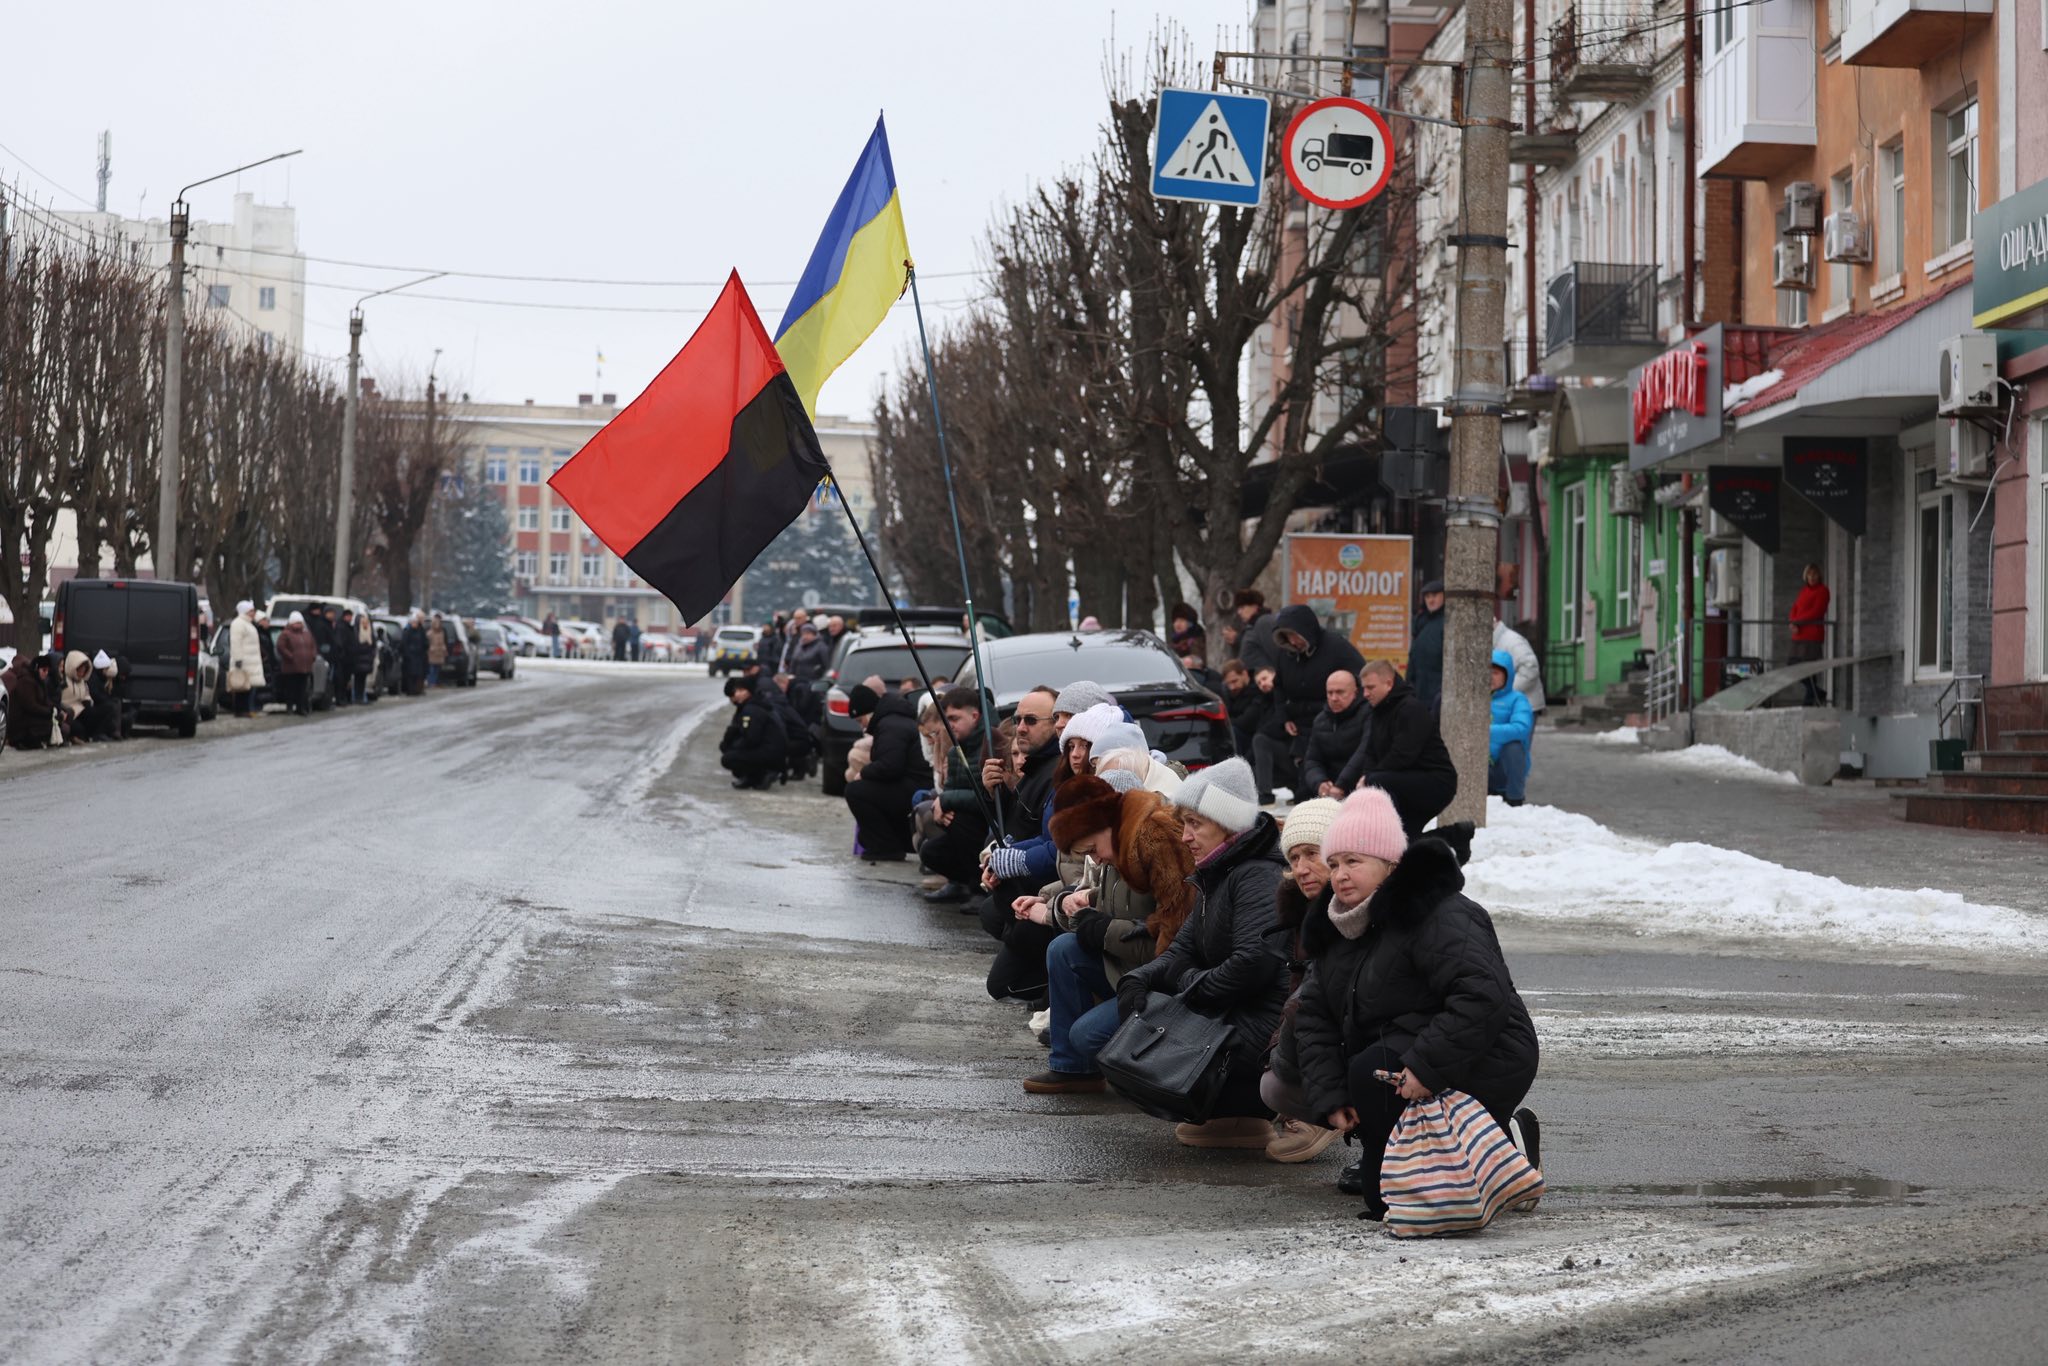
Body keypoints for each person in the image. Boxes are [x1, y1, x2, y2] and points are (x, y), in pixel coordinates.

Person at [1293, 787, 1541, 1220]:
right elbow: (1315, 1017)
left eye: (1354, 861)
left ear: (1390, 865)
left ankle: (1502, 1144)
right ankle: (1482, 1149)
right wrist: (1332, 1097)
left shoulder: (1439, 912)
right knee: (1382, 1195)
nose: (1339, 875)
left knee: (1395, 1198)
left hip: (1489, 1051)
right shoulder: (1337, 924)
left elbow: (1481, 994)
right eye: (1334, 863)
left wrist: (1427, 1067)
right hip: (1397, 1059)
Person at [1115, 756, 1290, 1148]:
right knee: (1136, 1039)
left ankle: (1278, 1110)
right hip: (1232, 1009)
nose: (1186, 836)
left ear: (1228, 826)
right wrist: (1138, 980)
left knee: (1162, 1056)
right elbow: (1181, 949)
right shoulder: (1218, 872)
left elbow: (1253, 964)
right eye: (1185, 824)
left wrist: (1189, 986)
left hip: (1265, 1024)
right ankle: (1234, 1118)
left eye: (1196, 824)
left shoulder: (1256, 875)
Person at [1023, 771, 1197, 1093]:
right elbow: (1113, 913)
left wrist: (1102, 930)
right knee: (1063, 949)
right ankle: (1074, 1070)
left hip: (1163, 984)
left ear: (1107, 823)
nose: (1095, 859)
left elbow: (1175, 946)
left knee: (1087, 1035)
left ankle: (1163, 1074)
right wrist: (1066, 909)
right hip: (1131, 969)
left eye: (1092, 849)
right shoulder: (1118, 844)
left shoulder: (1155, 840)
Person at [1257, 796, 1343, 1164]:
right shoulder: (1302, 911)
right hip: (1331, 1041)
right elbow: (1298, 989)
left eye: (1312, 854)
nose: (1302, 868)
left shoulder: (1359, 909)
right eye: (1294, 858)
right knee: (1272, 1081)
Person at [977, 686, 1066, 1003]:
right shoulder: (1037, 767)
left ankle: (1054, 986)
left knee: (1002, 984)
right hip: (1022, 890)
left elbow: (1057, 848)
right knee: (990, 912)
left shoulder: (1059, 771)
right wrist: (997, 795)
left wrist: (1012, 860)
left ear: (1056, 724)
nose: (1021, 727)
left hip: (1048, 894)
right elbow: (1019, 826)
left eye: (1031, 719)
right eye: (1018, 720)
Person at [1356, 659, 1460, 846]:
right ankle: (1452, 838)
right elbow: (1371, 752)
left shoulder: (1410, 708)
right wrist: (1366, 776)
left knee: (1378, 784)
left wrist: (1370, 778)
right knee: (1405, 839)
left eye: (1370, 687)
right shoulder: (1378, 711)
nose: (1365, 694)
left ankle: (1453, 837)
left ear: (1389, 683)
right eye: (1363, 688)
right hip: (1407, 779)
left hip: (1436, 781)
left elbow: (1403, 754)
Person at [918, 686, 991, 902]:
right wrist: (941, 805)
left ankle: (981, 890)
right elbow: (949, 788)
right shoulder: (957, 749)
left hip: (986, 826)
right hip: (964, 820)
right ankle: (961, 883)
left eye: (954, 718)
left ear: (974, 716)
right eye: (946, 719)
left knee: (960, 822)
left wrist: (946, 800)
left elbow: (987, 799)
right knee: (930, 851)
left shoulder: (989, 745)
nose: (949, 725)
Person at [843, 683, 925, 862]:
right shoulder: (894, 720)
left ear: (867, 712)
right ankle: (893, 842)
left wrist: (864, 773)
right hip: (914, 784)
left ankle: (886, 847)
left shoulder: (890, 725)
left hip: (916, 787)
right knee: (866, 835)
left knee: (855, 791)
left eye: (860, 720)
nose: (862, 727)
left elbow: (890, 766)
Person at [1300, 668, 1371, 799]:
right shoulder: (1320, 720)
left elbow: (1363, 753)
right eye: (1330, 693)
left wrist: (1341, 785)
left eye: (1340, 692)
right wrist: (1320, 782)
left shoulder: (1368, 714)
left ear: (1355, 692)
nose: (1334, 698)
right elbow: (1312, 760)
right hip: (1331, 788)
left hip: (1359, 786)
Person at [719, 675, 787, 789]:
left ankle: (760, 775)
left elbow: (751, 739)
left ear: (749, 692)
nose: (737, 695)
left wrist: (733, 747)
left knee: (729, 758)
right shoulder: (756, 704)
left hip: (772, 753)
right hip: (775, 751)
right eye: (737, 691)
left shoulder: (751, 709)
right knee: (733, 752)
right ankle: (756, 776)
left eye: (741, 691)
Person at [1487, 649, 1534, 807]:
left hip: (1503, 767)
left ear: (1507, 676)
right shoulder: (1474, 698)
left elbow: (1521, 728)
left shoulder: (1517, 699)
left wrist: (1485, 732)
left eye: (1495, 673)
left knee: (1514, 746)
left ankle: (1515, 798)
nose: (1490, 677)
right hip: (1479, 765)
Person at [1248, 666, 1295, 804]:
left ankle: (1266, 795)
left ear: (1274, 675)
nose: (1262, 684)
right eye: (1259, 683)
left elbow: (1280, 727)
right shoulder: (1264, 703)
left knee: (1260, 739)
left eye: (1264, 678)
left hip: (1294, 753)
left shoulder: (1287, 696)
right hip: (1279, 757)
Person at [1789, 562, 1831, 705]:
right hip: (1798, 635)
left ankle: (1809, 702)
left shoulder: (1823, 591)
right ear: (1805, 577)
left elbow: (1817, 612)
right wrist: (1792, 622)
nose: (1812, 577)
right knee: (1793, 665)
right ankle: (1817, 694)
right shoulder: (1804, 591)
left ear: (1819, 576)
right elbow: (1795, 608)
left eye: (1814, 574)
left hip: (1812, 636)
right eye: (1809, 574)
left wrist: (1797, 622)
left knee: (1808, 670)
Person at [1492, 614, 1546, 719]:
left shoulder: (1512, 641)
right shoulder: (1497, 642)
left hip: (1524, 706)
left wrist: (1503, 690)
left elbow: (1530, 668)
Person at [2, 652, 60, 749]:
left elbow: (45, 700)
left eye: (47, 671)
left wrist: (55, 709)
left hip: (29, 717)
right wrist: (48, 712)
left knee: (57, 722)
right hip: (20, 721)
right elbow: (30, 706)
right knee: (48, 724)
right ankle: (23, 741)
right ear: (37, 669)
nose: (46, 673)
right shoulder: (26, 681)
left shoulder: (39, 681)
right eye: (44, 670)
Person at [1408, 580, 1446, 709]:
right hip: (1418, 689)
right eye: (1427, 596)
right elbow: (1413, 657)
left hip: (1438, 691)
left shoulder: (1448, 622)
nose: (1430, 600)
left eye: (1434, 596)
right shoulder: (1420, 622)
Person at [227, 600, 266, 719]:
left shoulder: (248, 624)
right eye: (251, 611)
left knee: (249, 688)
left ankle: (247, 709)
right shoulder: (238, 624)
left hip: (251, 662)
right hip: (244, 662)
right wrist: (238, 659)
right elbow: (236, 642)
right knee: (242, 687)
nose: (253, 613)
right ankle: (243, 710)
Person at [276, 611, 318, 716]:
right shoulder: (286, 634)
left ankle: (301, 708)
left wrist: (313, 656)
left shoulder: (307, 634)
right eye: (296, 623)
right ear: (291, 623)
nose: (298, 625)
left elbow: (313, 645)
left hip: (305, 666)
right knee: (291, 688)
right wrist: (290, 656)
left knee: (303, 689)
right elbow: (281, 647)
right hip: (291, 667)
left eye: (300, 622)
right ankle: (290, 707)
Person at [1220, 658, 1263, 758]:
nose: (1232, 687)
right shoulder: (1229, 693)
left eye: (1234, 681)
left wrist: (1228, 723)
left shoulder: (1258, 689)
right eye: (1228, 684)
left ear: (1244, 674)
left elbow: (1247, 721)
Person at [1233, 589, 1282, 674]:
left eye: (1242, 607)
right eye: (1238, 608)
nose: (1239, 612)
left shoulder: (1264, 622)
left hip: (1264, 681)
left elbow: (1275, 653)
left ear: (1255, 607)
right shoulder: (1252, 626)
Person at [330, 609, 355, 707]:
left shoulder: (347, 627)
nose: (350, 618)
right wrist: (342, 654)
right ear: (345, 616)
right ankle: (340, 698)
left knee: (345, 680)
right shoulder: (341, 627)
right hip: (343, 659)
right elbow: (340, 642)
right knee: (341, 680)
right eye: (349, 616)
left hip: (347, 658)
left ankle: (343, 698)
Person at [401, 612, 429, 695]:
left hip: (419, 656)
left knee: (418, 674)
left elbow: (425, 642)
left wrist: (424, 649)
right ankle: (410, 690)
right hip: (410, 657)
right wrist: (407, 654)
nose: (415, 624)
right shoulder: (407, 631)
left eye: (416, 622)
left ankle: (417, 690)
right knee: (410, 674)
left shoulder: (421, 631)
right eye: (413, 622)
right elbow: (404, 644)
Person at [351, 611, 375, 704]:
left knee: (363, 680)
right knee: (357, 680)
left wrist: (371, 654)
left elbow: (373, 645)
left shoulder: (370, 632)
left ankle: (361, 697)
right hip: (358, 660)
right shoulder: (356, 632)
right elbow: (356, 646)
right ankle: (357, 698)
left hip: (367, 660)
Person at [426, 612, 449, 688]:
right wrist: (429, 648)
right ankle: (430, 682)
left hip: (439, 653)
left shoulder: (442, 632)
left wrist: (444, 649)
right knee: (431, 668)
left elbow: (444, 641)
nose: (437, 625)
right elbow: (427, 642)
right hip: (432, 653)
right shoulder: (429, 633)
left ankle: (435, 682)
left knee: (437, 669)